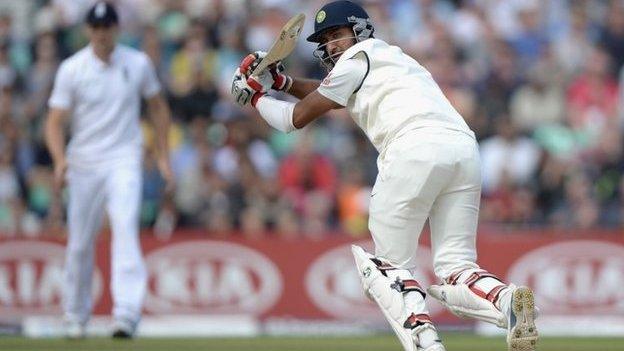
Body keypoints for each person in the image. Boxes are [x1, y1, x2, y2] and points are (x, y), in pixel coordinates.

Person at [230, 1, 538, 351]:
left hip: (413, 147)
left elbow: (294, 119)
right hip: (464, 150)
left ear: (358, 29)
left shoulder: (354, 59)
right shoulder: (395, 58)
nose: (331, 45)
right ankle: (506, 300)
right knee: (456, 266)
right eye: (326, 40)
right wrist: (281, 81)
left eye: (337, 35)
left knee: (383, 268)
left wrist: (255, 96)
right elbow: (332, 97)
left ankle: (425, 345)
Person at [45, 1, 173, 339]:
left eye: (107, 27)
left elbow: (158, 108)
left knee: (125, 229)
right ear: (89, 30)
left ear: (117, 28)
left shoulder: (138, 63)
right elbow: (54, 122)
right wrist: (59, 160)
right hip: (84, 162)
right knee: (79, 242)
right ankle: (75, 314)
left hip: (124, 158)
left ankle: (127, 313)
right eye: (96, 28)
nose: (102, 34)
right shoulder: (72, 69)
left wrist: (162, 156)